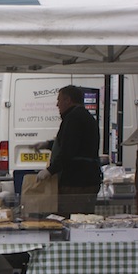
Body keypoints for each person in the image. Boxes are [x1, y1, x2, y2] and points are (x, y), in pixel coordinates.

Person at [35, 85, 102, 217]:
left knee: (72, 220)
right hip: (86, 179)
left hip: (77, 182)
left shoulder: (74, 118)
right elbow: (72, 142)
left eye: (59, 100)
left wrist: (50, 170)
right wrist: (48, 144)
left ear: (68, 100)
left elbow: (69, 150)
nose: (57, 104)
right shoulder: (81, 116)